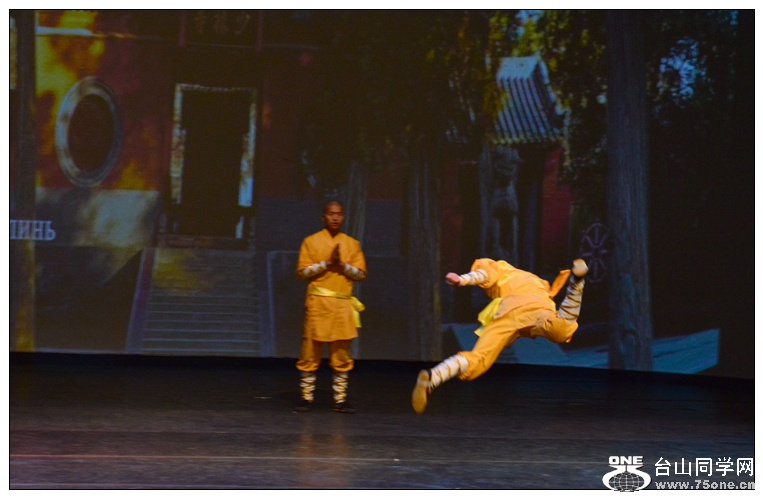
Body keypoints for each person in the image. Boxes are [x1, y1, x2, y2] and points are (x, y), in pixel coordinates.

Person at [411, 258, 588, 414]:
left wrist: (462, 280)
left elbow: (483, 275)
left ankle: (433, 377)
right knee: (562, 329)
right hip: (537, 311)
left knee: (478, 360)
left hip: (507, 313)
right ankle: (577, 284)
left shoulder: (503, 269)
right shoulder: (540, 285)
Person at [294, 200, 367, 414]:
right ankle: (306, 398)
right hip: (318, 303)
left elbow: (361, 274)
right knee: (310, 352)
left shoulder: (352, 244)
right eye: (331, 214)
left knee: (341, 354)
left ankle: (340, 400)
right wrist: (326, 264)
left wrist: (342, 265)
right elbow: (302, 273)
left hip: (341, 305)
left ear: (343, 217)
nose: (335, 217)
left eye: (339, 214)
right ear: (323, 217)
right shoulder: (310, 242)